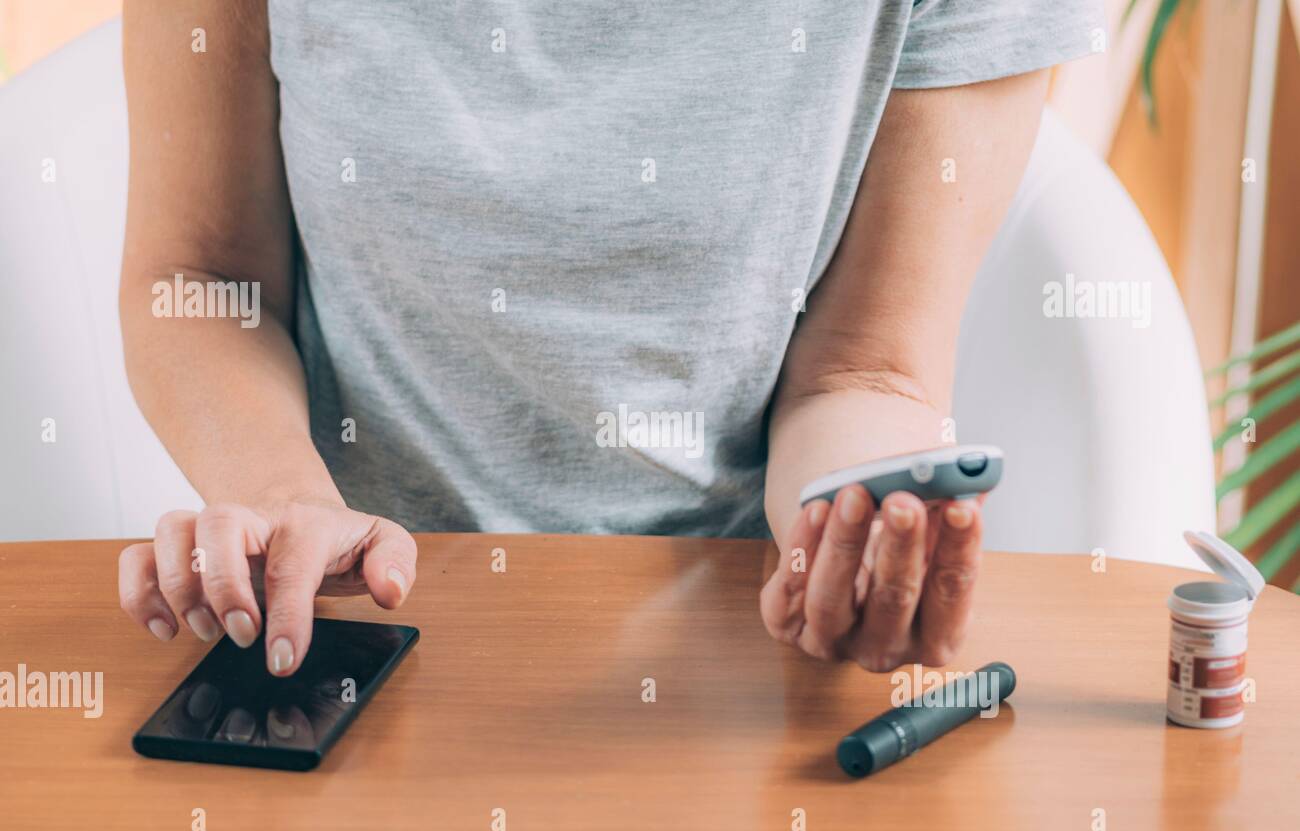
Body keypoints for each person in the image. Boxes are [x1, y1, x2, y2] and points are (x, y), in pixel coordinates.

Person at [116, 0, 1101, 676]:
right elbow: (202, 274)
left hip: (719, 660)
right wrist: (284, 501)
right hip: (357, 629)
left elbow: (864, 368)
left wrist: (842, 527)